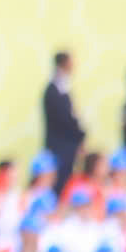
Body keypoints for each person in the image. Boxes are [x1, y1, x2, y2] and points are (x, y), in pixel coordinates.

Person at [42, 51, 85, 189]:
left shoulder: (62, 87)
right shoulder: (54, 90)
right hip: (61, 145)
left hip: (66, 145)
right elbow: (65, 118)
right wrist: (78, 134)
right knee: (59, 182)